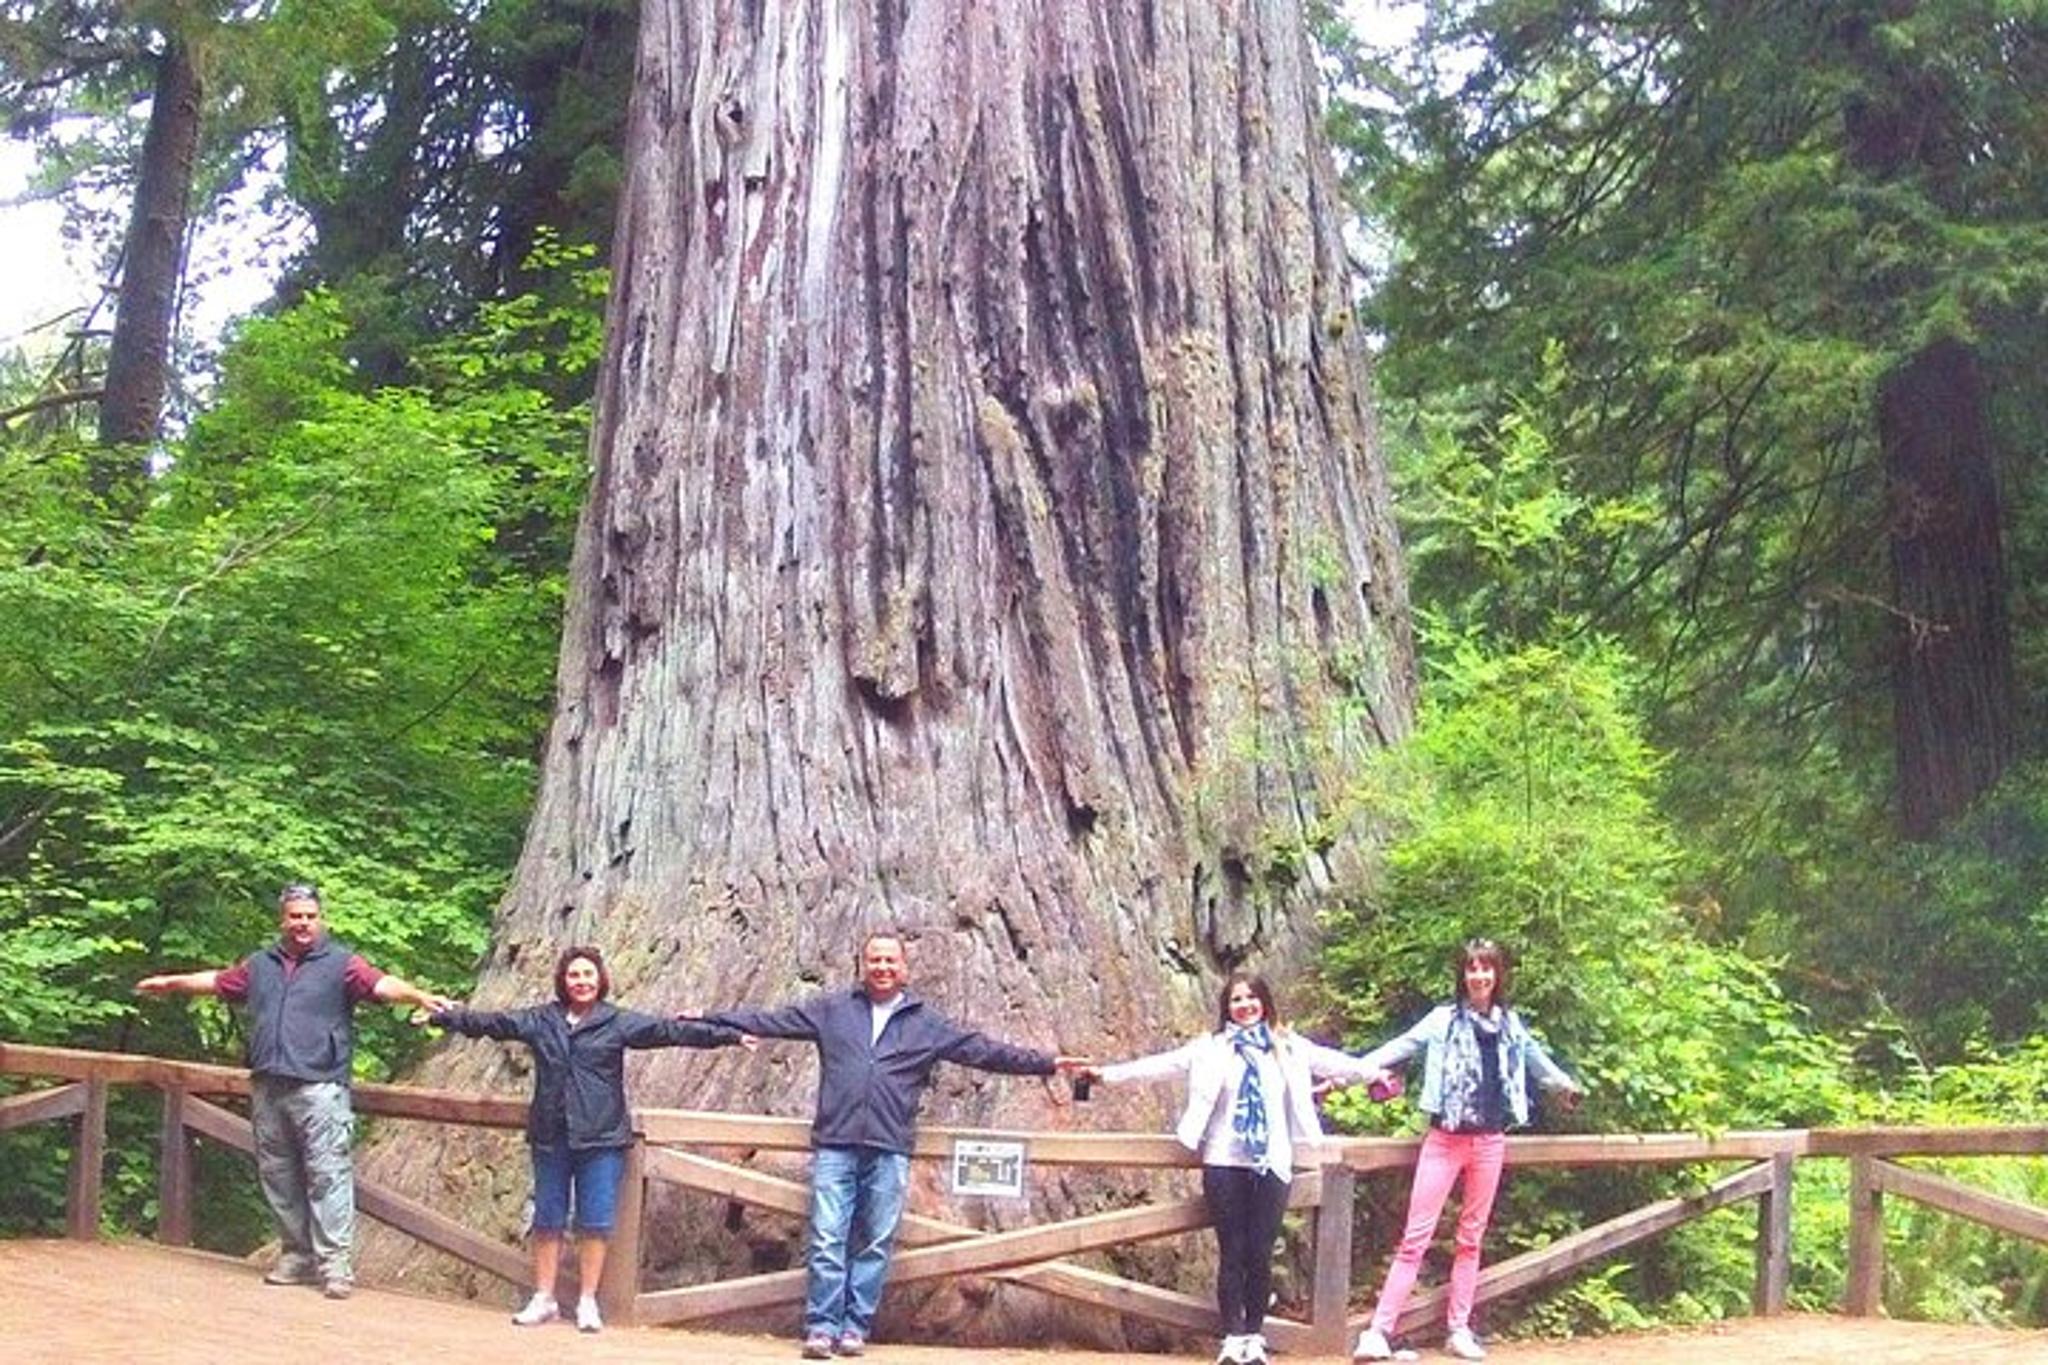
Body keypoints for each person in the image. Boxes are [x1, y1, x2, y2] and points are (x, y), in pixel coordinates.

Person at [700, 930, 1090, 1359]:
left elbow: (984, 1052)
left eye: (890, 960)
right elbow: (773, 1021)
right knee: (827, 1238)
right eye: (875, 960)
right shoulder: (833, 1011)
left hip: (889, 1148)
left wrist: (1047, 1063)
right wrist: (711, 1019)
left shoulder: (926, 1024)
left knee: (874, 1243)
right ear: (862, 966)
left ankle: (854, 1327)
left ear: (904, 968)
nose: (882, 967)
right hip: (836, 1144)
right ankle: (822, 1327)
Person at [135, 882, 449, 1299]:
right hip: (268, 1084)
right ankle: (297, 1255)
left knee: (328, 1175)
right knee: (278, 1175)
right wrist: (171, 983)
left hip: (319, 1086)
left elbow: (381, 985)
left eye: (310, 916)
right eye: (295, 916)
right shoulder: (260, 965)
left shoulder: (341, 964)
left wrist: (418, 996)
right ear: (282, 920)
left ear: (321, 919)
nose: (303, 923)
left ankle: (335, 1265)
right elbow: (217, 980)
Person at [424, 945, 751, 1334]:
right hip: (551, 1133)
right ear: (563, 980)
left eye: (588, 974)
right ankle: (544, 1298)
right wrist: (445, 1016)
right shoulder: (542, 1020)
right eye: (574, 975)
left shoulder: (616, 1022)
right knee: (548, 1217)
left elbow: (670, 1031)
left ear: (600, 979)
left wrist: (728, 1035)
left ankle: (587, 1300)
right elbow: (494, 1023)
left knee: (594, 1221)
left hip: (601, 1136)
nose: (581, 982)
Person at [1079, 973, 1387, 1365]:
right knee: (1233, 1250)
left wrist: (1375, 1073)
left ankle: (1254, 1336)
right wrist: (1106, 1075)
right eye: (1237, 999)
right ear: (1227, 1007)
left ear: (1265, 1002)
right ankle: (1232, 1336)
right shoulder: (1211, 1049)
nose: (1245, 1006)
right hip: (1224, 1160)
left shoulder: (1287, 1046)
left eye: (1251, 997)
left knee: (1260, 1251)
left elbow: (1334, 1062)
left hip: (1271, 1161)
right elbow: (1160, 1066)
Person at [1348, 939, 1584, 1363]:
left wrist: (1566, 1087)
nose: (1479, 976)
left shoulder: (1510, 1024)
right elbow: (1399, 1046)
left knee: (1471, 1239)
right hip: (1444, 1140)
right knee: (1415, 1238)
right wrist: (1349, 1072)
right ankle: (1378, 1331)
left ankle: (1458, 1329)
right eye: (1472, 969)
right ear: (1462, 975)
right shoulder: (1442, 1020)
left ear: (1497, 975)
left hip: (1489, 1141)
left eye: (1486, 968)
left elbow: (1538, 1063)